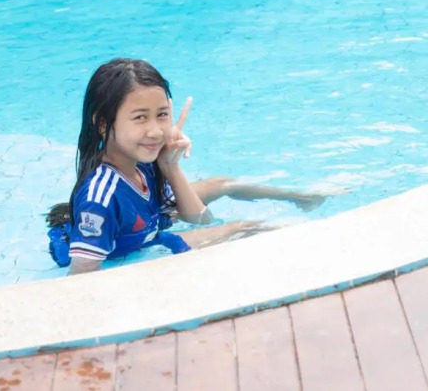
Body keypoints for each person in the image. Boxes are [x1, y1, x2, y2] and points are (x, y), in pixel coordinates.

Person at [47, 58, 337, 275]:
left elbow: (199, 219)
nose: (155, 131)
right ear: (102, 124)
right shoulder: (100, 198)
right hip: (132, 248)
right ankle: (316, 242)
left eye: (162, 115)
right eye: (140, 118)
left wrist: (170, 166)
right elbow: (80, 280)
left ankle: (303, 198)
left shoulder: (142, 158)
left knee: (223, 183)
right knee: (244, 228)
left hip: (145, 222)